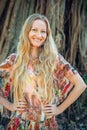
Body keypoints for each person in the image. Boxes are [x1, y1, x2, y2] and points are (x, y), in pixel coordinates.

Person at [0, 13, 86, 130]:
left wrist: (59, 109)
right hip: (19, 123)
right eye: (34, 30)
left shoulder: (54, 60)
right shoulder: (15, 60)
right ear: (27, 32)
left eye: (43, 31)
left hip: (45, 124)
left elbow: (81, 85)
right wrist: (9, 105)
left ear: (47, 35)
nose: (39, 35)